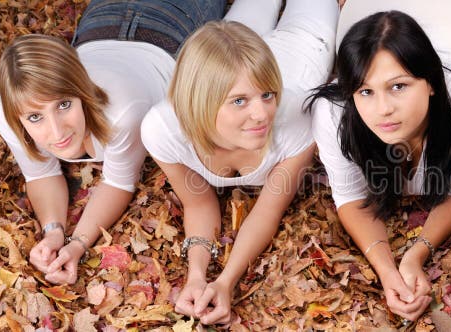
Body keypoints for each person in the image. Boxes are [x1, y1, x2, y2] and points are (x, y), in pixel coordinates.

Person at [0, 0, 225, 285]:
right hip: (105, 24)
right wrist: (54, 232)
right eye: (35, 117)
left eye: (64, 104)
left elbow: (118, 182)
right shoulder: (8, 112)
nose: (56, 131)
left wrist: (78, 243)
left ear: (81, 89)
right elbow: (41, 173)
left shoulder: (122, 112)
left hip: (172, 20)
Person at [139, 0, 338, 324]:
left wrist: (226, 281)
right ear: (203, 101)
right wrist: (197, 275)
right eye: (240, 102)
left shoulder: (297, 117)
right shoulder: (163, 129)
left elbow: (267, 209)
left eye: (267, 96)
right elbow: (199, 204)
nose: (261, 115)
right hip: (236, 57)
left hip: (300, 53)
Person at [306, 0, 451, 324]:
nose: (383, 109)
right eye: (366, 92)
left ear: (432, 84)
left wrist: (416, 255)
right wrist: (388, 271)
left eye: (398, 86)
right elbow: (350, 196)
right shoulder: (334, 112)